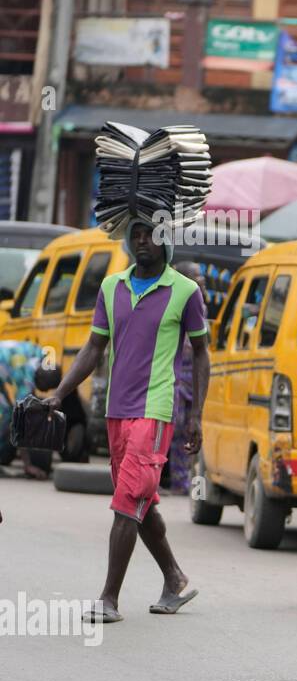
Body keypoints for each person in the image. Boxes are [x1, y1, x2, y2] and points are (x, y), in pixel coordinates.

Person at [43, 218, 209, 623]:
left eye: (149, 233)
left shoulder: (185, 291)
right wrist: (60, 393)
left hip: (155, 411)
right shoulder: (110, 287)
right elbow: (94, 346)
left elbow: (202, 354)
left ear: (165, 239)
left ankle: (108, 598)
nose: (141, 241)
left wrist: (197, 416)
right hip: (117, 410)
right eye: (134, 235)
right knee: (139, 501)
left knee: (125, 503)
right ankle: (174, 578)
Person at [165, 261, 208, 495]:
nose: (201, 283)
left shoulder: (200, 306)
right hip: (178, 380)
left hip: (195, 380)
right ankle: (177, 481)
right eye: (196, 279)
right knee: (176, 430)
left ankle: (187, 483)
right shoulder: (176, 304)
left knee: (193, 429)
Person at [0, 340, 60, 479]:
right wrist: (28, 464)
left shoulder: (42, 354)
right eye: (44, 387)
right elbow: (19, 421)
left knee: (8, 411)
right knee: (8, 414)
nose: (44, 391)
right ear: (38, 378)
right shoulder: (26, 378)